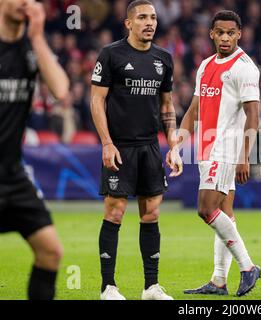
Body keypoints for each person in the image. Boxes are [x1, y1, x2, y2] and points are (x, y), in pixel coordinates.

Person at [90, 0, 182, 300]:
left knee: (151, 215)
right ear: (128, 23)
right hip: (120, 147)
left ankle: (151, 287)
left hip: (150, 147)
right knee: (114, 213)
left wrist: (174, 146)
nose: (150, 23)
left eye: (153, 18)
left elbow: (167, 106)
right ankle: (108, 287)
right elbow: (97, 101)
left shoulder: (164, 59)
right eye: (142, 17)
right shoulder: (111, 54)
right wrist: (106, 142)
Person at [177, 10, 261, 297]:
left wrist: (244, 155)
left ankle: (248, 266)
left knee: (205, 209)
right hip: (205, 148)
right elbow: (194, 109)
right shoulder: (205, 66)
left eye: (231, 32)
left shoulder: (245, 68)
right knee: (224, 212)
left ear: (239, 34)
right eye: (220, 32)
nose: (225, 37)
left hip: (226, 149)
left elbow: (253, 115)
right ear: (211, 34)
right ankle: (218, 281)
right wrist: (178, 143)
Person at [0, 0, 68, 300]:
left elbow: (61, 89)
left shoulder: (31, 47)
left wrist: (38, 37)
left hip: (12, 175)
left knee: (50, 252)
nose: (25, 2)